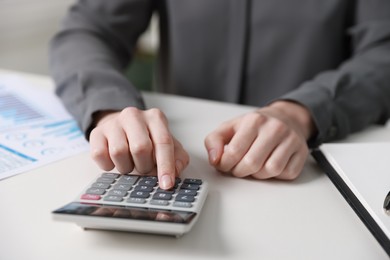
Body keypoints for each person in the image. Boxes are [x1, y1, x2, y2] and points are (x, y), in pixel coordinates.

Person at [50, 0, 390, 190]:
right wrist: (109, 108)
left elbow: (383, 51)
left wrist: (300, 113)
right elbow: (87, 31)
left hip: (310, 175)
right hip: (180, 169)